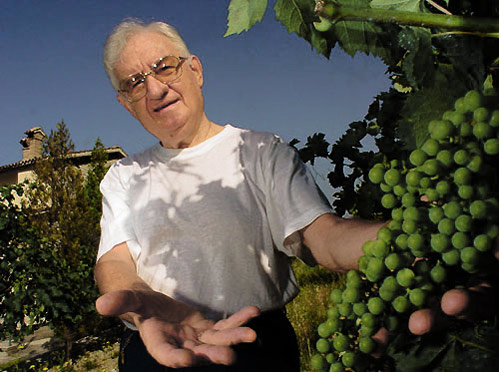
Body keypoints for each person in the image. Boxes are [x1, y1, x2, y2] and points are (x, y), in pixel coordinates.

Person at [94, 19, 497, 371]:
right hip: (156, 344)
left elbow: (321, 238)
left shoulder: (260, 151)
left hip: (258, 349)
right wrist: (141, 302)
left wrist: (407, 237)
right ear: (126, 104)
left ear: (195, 70)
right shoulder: (123, 175)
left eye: (163, 67)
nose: (154, 88)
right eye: (134, 83)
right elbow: (114, 262)